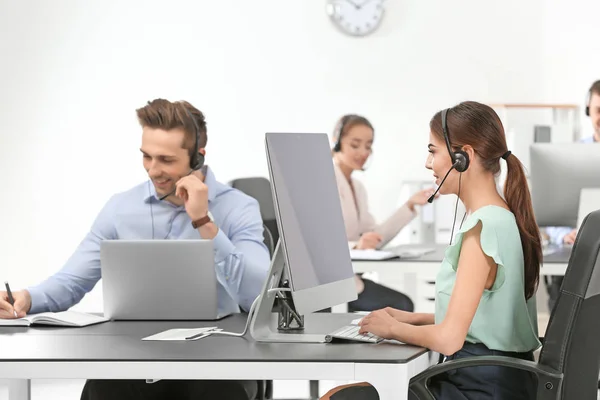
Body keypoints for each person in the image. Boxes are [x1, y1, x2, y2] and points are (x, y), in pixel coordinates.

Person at [0, 99, 270, 400]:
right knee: (101, 390)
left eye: (166, 160)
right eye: (147, 157)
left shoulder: (239, 208)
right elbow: (72, 281)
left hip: (217, 364)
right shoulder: (120, 208)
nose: (153, 170)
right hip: (135, 358)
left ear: (197, 158)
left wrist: (203, 221)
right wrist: (26, 298)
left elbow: (257, 296)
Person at [323, 101, 542, 400]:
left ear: (463, 156)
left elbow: (450, 340)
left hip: (478, 388)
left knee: (337, 397)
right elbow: (486, 318)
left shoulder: (483, 229)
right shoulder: (500, 217)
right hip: (497, 381)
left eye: (432, 150)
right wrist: (412, 318)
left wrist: (392, 329)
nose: (428, 163)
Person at [331, 114, 434, 312]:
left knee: (403, 305)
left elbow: (376, 236)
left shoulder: (358, 187)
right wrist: (356, 245)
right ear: (337, 142)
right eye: (355, 145)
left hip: (352, 281)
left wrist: (410, 205)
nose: (363, 152)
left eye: (368, 146)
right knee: (402, 306)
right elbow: (320, 243)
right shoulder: (325, 181)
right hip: (334, 286)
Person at [543, 79, 600, 312]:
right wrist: (564, 234)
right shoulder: (572, 156)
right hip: (581, 253)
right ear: (589, 111)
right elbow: (552, 214)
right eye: (598, 110)